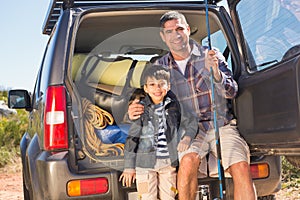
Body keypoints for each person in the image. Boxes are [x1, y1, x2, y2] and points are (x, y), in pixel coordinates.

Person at [128, 11, 257, 199]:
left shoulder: (211, 55)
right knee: (187, 162)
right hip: (188, 131)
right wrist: (134, 110)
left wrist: (216, 73)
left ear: (188, 30)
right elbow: (151, 98)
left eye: (180, 28)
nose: (176, 35)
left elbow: (232, 92)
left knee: (241, 166)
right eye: (170, 31)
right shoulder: (160, 65)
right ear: (163, 37)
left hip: (221, 125)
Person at [119, 65, 198, 200]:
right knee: (146, 197)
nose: (157, 88)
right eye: (152, 84)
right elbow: (133, 138)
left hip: (168, 164)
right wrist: (128, 167)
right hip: (144, 165)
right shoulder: (141, 109)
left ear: (168, 86)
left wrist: (187, 138)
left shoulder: (176, 107)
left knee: (169, 197)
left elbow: (192, 122)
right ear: (146, 88)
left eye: (162, 84)